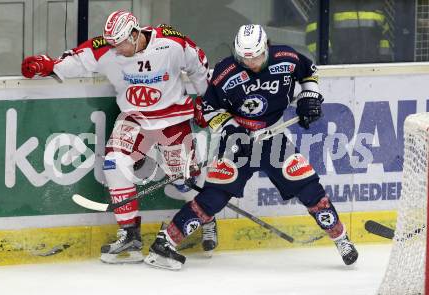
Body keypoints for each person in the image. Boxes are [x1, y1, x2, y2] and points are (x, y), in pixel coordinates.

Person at [144, 24, 359, 270]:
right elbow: (208, 108)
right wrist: (231, 130)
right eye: (244, 58)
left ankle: (341, 239)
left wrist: (309, 97)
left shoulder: (286, 58)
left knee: (308, 187)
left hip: (273, 138)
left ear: (266, 48)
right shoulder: (226, 71)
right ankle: (165, 243)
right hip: (237, 141)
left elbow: (308, 72)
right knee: (214, 197)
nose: (251, 63)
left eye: (256, 56)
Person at [21, 10, 218, 263]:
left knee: (185, 181)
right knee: (114, 164)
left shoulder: (171, 43)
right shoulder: (109, 47)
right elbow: (78, 60)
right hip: (134, 118)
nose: (118, 49)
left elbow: (199, 66)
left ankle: (208, 219)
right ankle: (130, 233)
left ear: (136, 34)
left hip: (173, 119)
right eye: (113, 44)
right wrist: (46, 65)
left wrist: (206, 101)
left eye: (122, 43)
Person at [306, 0, 393, 64]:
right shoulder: (328, 3)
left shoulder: (375, 4)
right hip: (338, 73)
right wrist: (330, 62)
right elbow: (313, 36)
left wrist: (384, 61)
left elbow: (383, 37)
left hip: (371, 71)